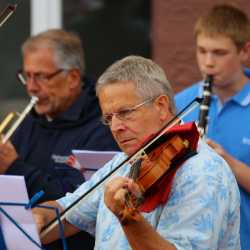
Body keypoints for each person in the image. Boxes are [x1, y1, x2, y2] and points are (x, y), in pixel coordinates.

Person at [33, 55, 240, 250]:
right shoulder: (124, 161)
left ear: (161, 106)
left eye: (124, 113)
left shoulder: (202, 170)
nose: (115, 127)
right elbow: (69, 212)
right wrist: (41, 215)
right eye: (109, 118)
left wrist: (128, 218)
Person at [0, 29, 119, 249]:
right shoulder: (32, 119)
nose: (31, 87)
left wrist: (14, 166)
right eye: (26, 76)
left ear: (73, 77)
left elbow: (80, 201)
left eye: (41, 76)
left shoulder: (104, 125)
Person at [174, 4, 250, 250]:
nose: (208, 62)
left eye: (219, 53)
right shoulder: (181, 104)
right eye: (202, 51)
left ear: (245, 51)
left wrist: (225, 162)